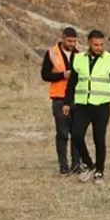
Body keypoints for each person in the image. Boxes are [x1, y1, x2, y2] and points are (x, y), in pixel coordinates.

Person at [63, 30, 110, 185]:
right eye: (96, 45)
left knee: (99, 139)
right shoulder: (77, 59)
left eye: (101, 44)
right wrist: (67, 102)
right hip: (82, 105)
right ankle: (90, 165)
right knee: (77, 135)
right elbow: (72, 83)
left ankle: (99, 171)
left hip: (102, 106)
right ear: (89, 43)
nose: (99, 47)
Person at [41, 27, 80, 176]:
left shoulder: (79, 54)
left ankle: (77, 164)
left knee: (77, 133)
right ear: (63, 38)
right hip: (59, 98)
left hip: (77, 98)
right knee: (62, 133)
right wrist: (63, 75)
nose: (72, 44)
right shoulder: (51, 53)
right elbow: (45, 75)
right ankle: (64, 166)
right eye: (70, 41)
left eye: (75, 41)